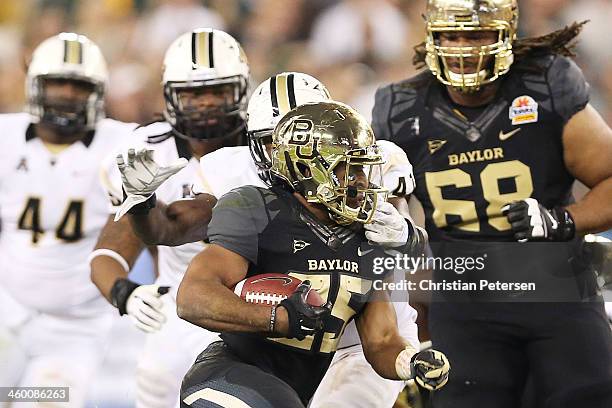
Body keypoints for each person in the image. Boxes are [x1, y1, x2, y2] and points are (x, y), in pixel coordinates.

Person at [118, 71, 423, 407]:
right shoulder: (240, 184)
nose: (289, 154)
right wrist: (143, 205)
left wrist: (407, 234)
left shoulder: (369, 160)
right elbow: (171, 230)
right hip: (281, 339)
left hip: (360, 336)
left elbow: (409, 248)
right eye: (272, 141)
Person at [372, 1, 612, 407]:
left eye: (476, 35)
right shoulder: (400, 109)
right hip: (466, 302)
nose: (463, 49)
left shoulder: (545, 86)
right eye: (452, 35)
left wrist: (560, 221)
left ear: (505, 34)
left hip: (556, 292)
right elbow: (381, 224)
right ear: (432, 37)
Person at [176, 100, 450, 407]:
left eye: (363, 168)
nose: (361, 181)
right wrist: (274, 319)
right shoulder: (259, 209)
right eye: (348, 168)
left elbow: (381, 341)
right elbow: (192, 298)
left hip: (293, 389)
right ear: (307, 168)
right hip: (228, 376)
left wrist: (411, 362)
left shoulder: (369, 237)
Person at [90, 28, 248, 408]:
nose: (206, 103)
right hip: (182, 305)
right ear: (171, 95)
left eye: (218, 91)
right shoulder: (145, 151)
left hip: (260, 295)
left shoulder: (266, 144)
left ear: (241, 91)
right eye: (193, 93)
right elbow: (112, 248)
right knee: (158, 380)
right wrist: (125, 293)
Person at [0, 33, 136, 407]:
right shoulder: (5, 136)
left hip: (75, 328)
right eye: (56, 82)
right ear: (34, 85)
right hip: (6, 311)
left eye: (78, 85)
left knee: (42, 401)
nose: (66, 93)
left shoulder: (124, 145)